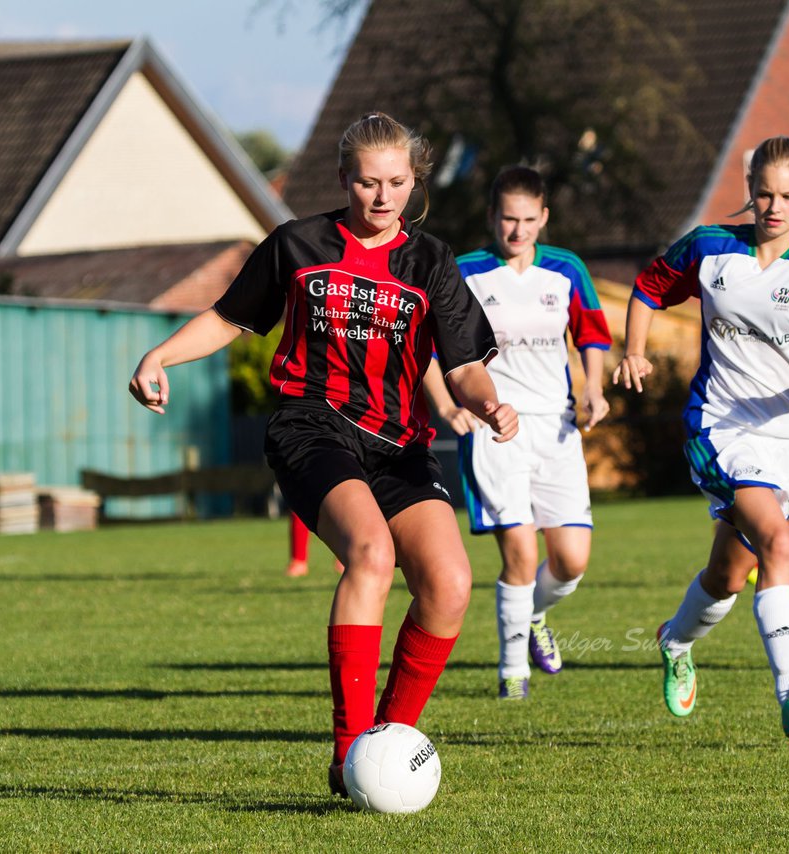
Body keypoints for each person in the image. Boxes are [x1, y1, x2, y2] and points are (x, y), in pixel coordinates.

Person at [128, 112, 517, 797]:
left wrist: (488, 401)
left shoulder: (432, 263)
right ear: (344, 180)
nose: (382, 196)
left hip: (398, 444)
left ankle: (386, 748)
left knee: (451, 586)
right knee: (371, 553)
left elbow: (463, 369)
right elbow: (228, 318)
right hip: (311, 427)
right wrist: (160, 355)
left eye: (397, 182)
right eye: (368, 183)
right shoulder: (298, 244)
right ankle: (347, 754)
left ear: (413, 181)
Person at [613, 136, 789, 740]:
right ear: (749, 191)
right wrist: (634, 351)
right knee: (778, 546)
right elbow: (649, 287)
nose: (774, 206)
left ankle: (675, 639)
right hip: (718, 425)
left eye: (788, 195)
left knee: (728, 575)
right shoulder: (711, 247)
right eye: (763, 193)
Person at [421, 166, 611, 701]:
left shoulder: (567, 269)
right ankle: (512, 676)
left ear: (544, 218)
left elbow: (592, 333)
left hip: (557, 429)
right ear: (491, 217)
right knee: (522, 555)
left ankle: (534, 617)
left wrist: (592, 388)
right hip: (493, 428)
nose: (518, 230)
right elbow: (428, 348)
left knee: (571, 560)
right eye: (508, 218)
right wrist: (446, 405)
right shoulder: (465, 271)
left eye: (529, 219)